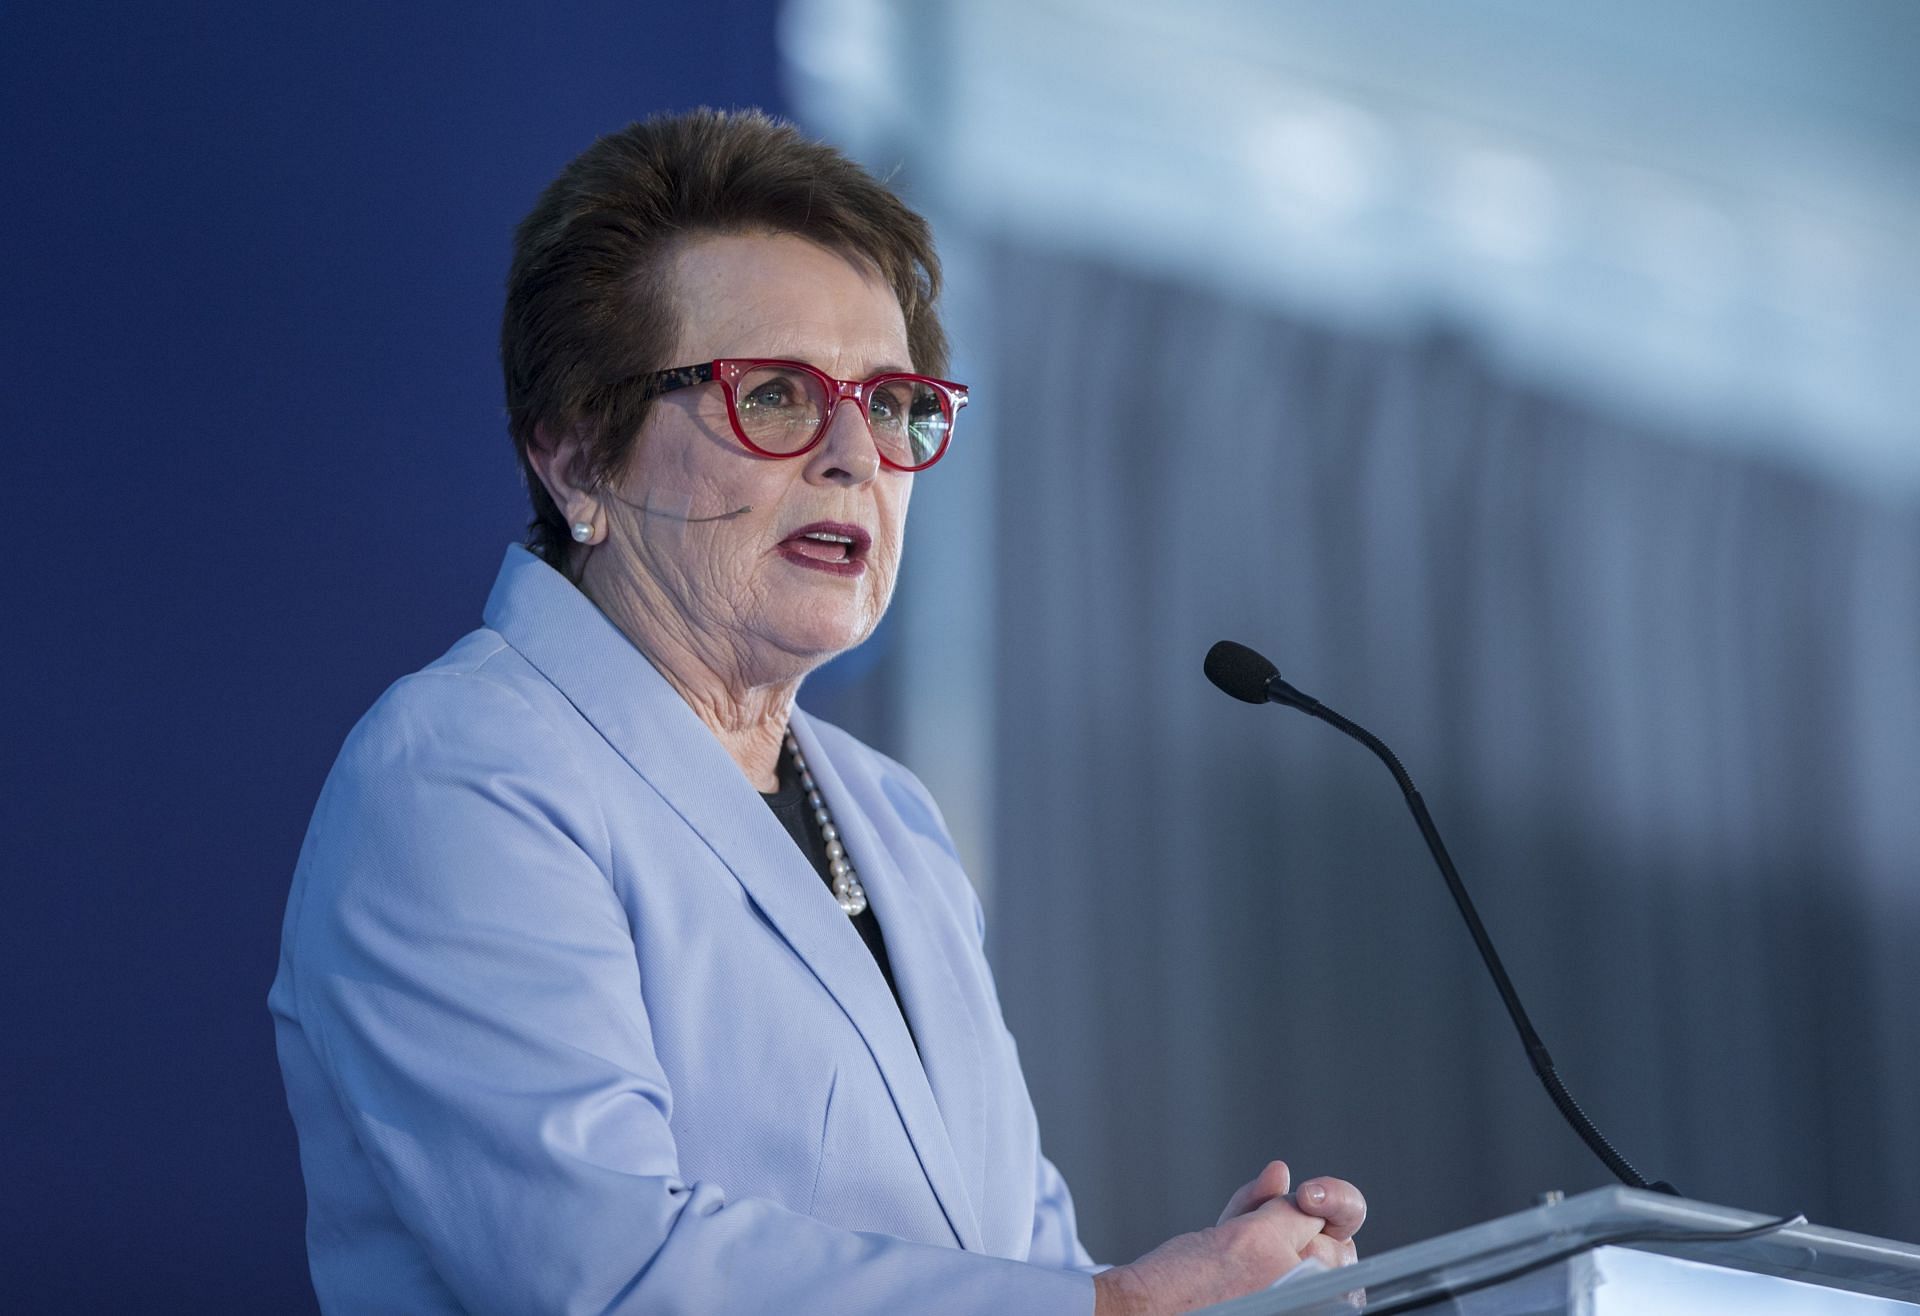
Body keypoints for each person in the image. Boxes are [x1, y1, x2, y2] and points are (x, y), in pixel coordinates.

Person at [269, 107, 1364, 1314]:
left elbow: (1019, 1267)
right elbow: (608, 1272)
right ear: (576, 454)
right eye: (778, 393)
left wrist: (1219, 1290)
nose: (856, 452)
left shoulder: (890, 816)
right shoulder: (458, 773)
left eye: (893, 402)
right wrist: (1119, 1308)